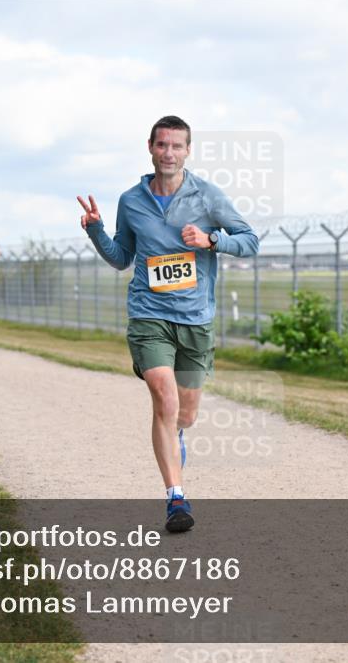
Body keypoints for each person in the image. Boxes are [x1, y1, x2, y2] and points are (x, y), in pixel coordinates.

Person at [78, 115, 259, 533]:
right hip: (148, 315)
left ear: (187, 151)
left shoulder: (208, 196)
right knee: (164, 396)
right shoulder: (131, 200)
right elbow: (122, 257)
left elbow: (250, 241)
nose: (169, 153)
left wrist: (213, 241)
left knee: (186, 414)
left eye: (177, 146)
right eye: (163, 145)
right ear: (150, 147)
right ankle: (176, 498)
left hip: (195, 319)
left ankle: (175, 438)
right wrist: (96, 231)